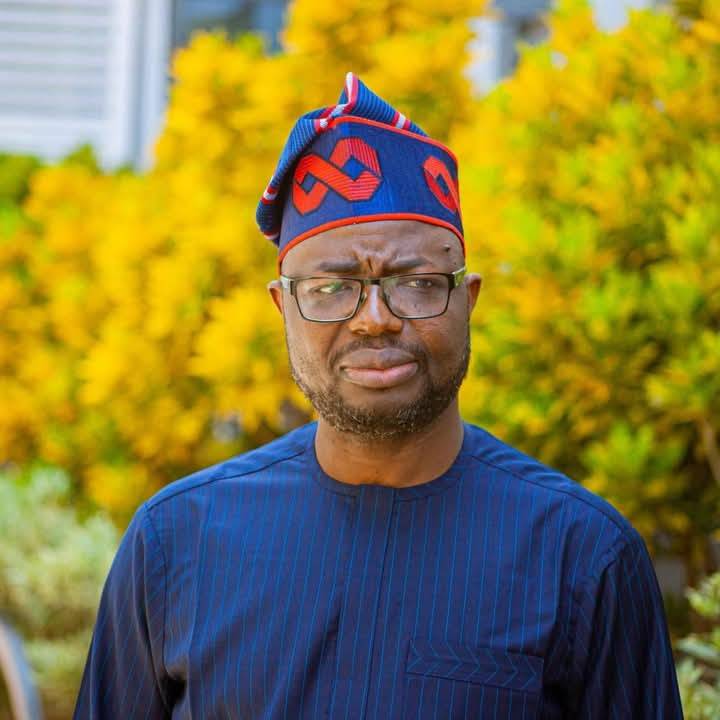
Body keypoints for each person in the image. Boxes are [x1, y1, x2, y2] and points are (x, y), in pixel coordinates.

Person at [74, 73, 683, 719]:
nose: (375, 320)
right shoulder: (176, 540)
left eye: (417, 283)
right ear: (283, 308)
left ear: (468, 299)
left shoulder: (582, 555)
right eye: (331, 289)